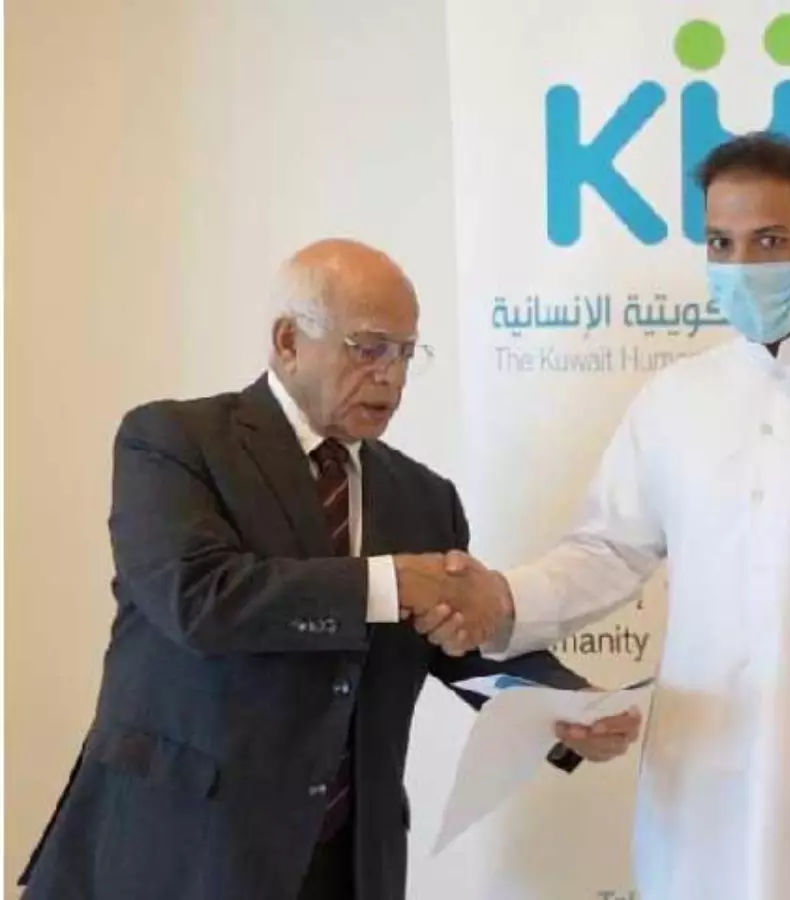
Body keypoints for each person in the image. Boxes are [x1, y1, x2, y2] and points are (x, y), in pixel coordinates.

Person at [419, 133, 790, 899]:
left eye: (769, 241)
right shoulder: (675, 400)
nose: (741, 265)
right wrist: (502, 598)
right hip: (702, 777)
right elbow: (606, 551)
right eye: (720, 243)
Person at [18, 239, 642, 900]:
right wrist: (389, 583)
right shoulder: (174, 442)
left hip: (346, 865)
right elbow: (198, 598)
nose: (392, 377)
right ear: (289, 341)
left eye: (406, 353)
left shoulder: (424, 499)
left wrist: (564, 708)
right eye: (369, 348)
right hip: (175, 853)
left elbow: (456, 644)